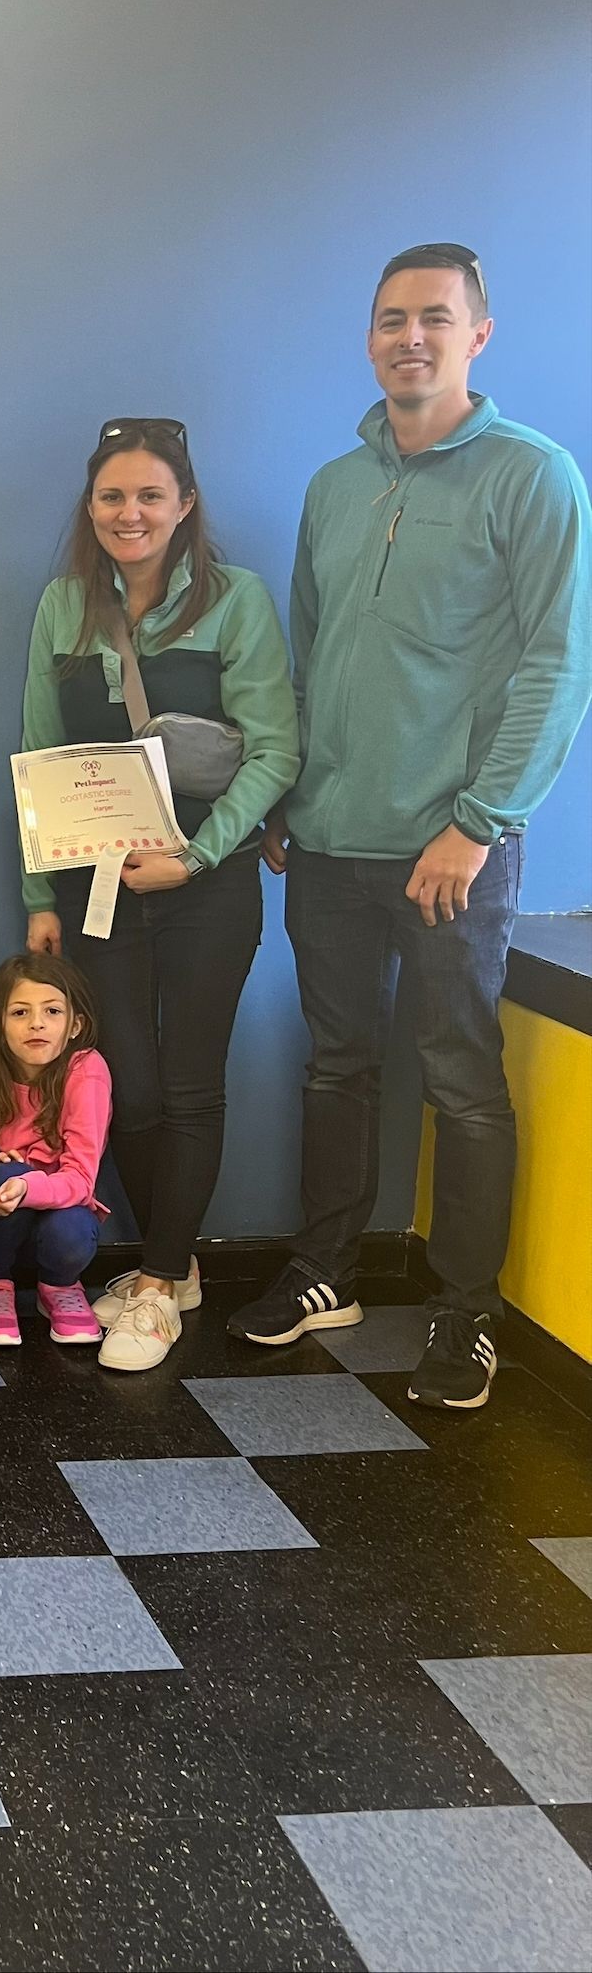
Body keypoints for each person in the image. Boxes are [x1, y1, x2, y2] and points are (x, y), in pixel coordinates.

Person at [232, 243, 591, 1410]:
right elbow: (304, 652)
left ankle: (463, 1312)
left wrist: (479, 823)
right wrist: (287, 794)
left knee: (460, 1078)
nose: (409, 337)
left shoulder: (533, 477)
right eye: (390, 318)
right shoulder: (336, 486)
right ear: (369, 335)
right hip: (327, 839)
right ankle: (323, 1268)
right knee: (336, 1066)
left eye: (434, 317)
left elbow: (557, 666)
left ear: (477, 334)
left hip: (452, 849)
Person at [20, 419, 300, 1371]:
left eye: (150, 496)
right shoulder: (64, 606)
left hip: (205, 888)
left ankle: (161, 1278)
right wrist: (39, 892)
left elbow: (276, 752)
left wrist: (200, 854)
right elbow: (39, 759)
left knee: (189, 1084)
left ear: (184, 506)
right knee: (125, 1087)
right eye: (112, 497)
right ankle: (164, 1270)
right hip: (95, 892)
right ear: (89, 508)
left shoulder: (237, 602)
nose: (129, 513)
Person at [0, 953, 110, 1348]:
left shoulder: (86, 1070)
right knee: (2, 1175)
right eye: (20, 1012)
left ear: (75, 1024)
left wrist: (29, 1187)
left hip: (59, 1208)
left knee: (73, 1228)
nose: (37, 1023)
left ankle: (59, 1286)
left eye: (52, 1011)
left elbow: (81, 1178)